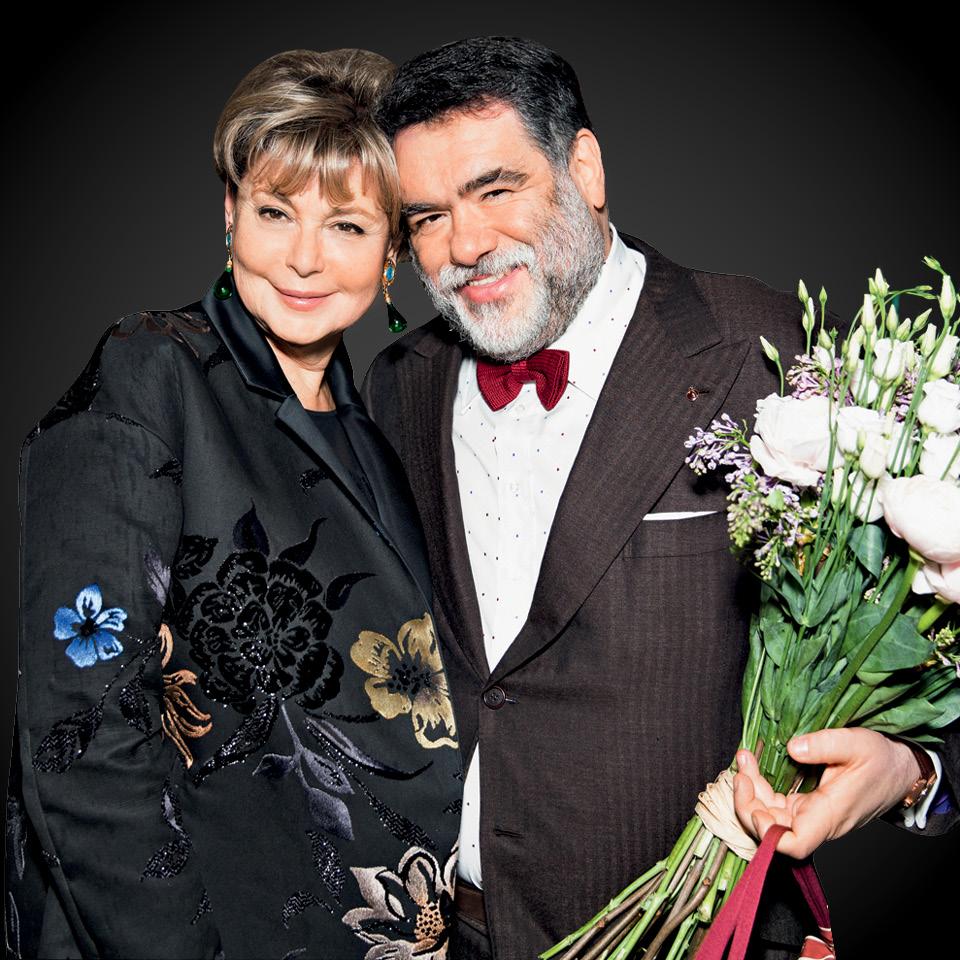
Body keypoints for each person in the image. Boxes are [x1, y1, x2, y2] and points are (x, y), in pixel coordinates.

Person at [361, 37, 959, 960]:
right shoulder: (397, 384)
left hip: (695, 934)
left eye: (497, 189)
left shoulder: (772, 357)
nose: (466, 246)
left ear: (585, 169)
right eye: (428, 217)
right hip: (449, 934)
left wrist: (916, 771)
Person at [6, 49, 461, 959]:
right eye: (274, 212)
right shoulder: (150, 374)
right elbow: (78, 737)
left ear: (392, 252)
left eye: (346, 225)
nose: (304, 258)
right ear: (229, 212)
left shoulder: (381, 426)